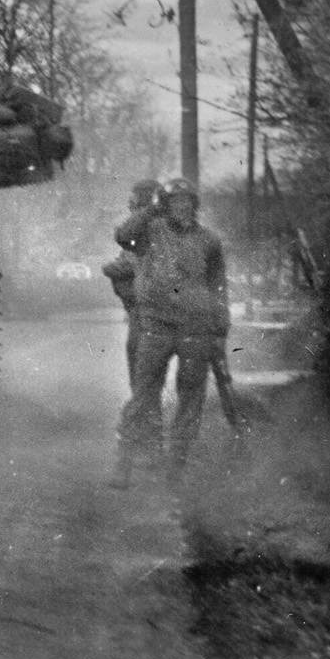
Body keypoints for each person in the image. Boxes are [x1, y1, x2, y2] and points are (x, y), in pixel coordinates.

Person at [116, 178, 229, 477]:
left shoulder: (209, 240)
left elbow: (218, 285)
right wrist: (151, 210)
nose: (183, 207)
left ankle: (176, 463)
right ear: (165, 206)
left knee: (191, 395)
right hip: (157, 325)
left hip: (197, 327)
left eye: (187, 202)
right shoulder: (150, 232)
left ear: (195, 205)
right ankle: (124, 460)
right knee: (144, 392)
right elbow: (122, 235)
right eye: (175, 202)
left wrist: (221, 324)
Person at [102, 179, 162, 388]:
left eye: (141, 196)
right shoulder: (139, 223)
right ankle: (142, 402)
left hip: (162, 298)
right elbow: (124, 241)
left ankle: (144, 400)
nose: (135, 202)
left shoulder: (159, 222)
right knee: (138, 351)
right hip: (144, 300)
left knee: (143, 352)